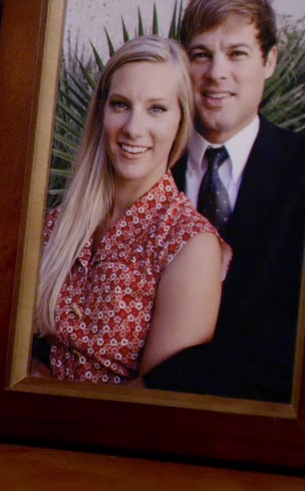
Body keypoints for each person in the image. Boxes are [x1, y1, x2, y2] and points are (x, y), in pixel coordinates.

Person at [142, 0, 305, 403]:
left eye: (237, 53)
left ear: (269, 61)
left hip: (262, 412)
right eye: (202, 55)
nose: (217, 73)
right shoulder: (143, 161)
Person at [31, 35, 226, 385]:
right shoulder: (57, 224)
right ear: (101, 113)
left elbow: (157, 399)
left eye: (157, 109)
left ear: (181, 122)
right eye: (121, 105)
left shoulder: (189, 245)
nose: (134, 129)